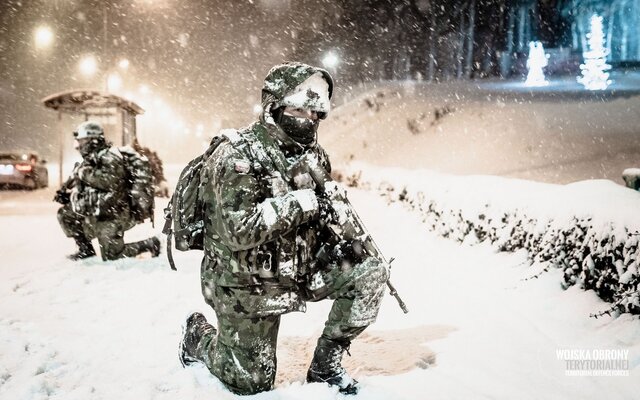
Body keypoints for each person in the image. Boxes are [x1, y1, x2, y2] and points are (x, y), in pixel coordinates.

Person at [179, 62, 388, 395]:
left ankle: (325, 367)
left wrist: (335, 234)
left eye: (315, 112)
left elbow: (318, 216)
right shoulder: (237, 155)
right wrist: (301, 203)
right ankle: (199, 339)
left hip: (298, 268)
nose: (307, 118)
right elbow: (238, 229)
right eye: (298, 108)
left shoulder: (315, 155)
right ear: (274, 105)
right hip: (246, 283)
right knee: (250, 383)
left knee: (369, 272)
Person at [54, 121, 160, 261]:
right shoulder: (91, 159)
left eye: (82, 141)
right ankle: (85, 250)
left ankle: (151, 244)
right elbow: (92, 189)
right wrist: (70, 196)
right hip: (101, 211)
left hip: (116, 213)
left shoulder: (109, 158)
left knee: (112, 256)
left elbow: (108, 185)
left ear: (93, 141)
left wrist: (83, 174)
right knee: (66, 214)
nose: (79, 146)